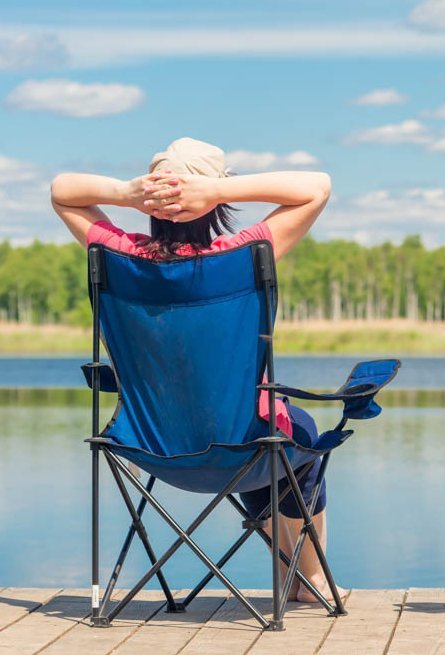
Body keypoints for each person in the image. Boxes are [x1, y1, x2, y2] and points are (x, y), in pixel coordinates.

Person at [50, 137, 343, 603]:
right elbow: (317, 187)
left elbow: (62, 190)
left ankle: (300, 579)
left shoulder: (120, 256)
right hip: (244, 450)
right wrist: (218, 191)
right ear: (214, 203)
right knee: (291, 435)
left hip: (151, 450)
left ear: (150, 200)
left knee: (268, 435)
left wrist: (128, 193)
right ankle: (311, 581)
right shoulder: (243, 254)